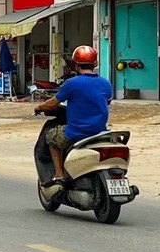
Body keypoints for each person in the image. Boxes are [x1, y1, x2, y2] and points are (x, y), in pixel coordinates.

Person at [34, 46, 112, 192]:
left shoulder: (72, 83)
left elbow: (53, 103)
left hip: (76, 132)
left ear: (76, 65)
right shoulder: (106, 83)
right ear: (94, 64)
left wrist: (39, 107)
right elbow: (105, 102)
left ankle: (59, 176)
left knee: (52, 137)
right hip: (100, 131)